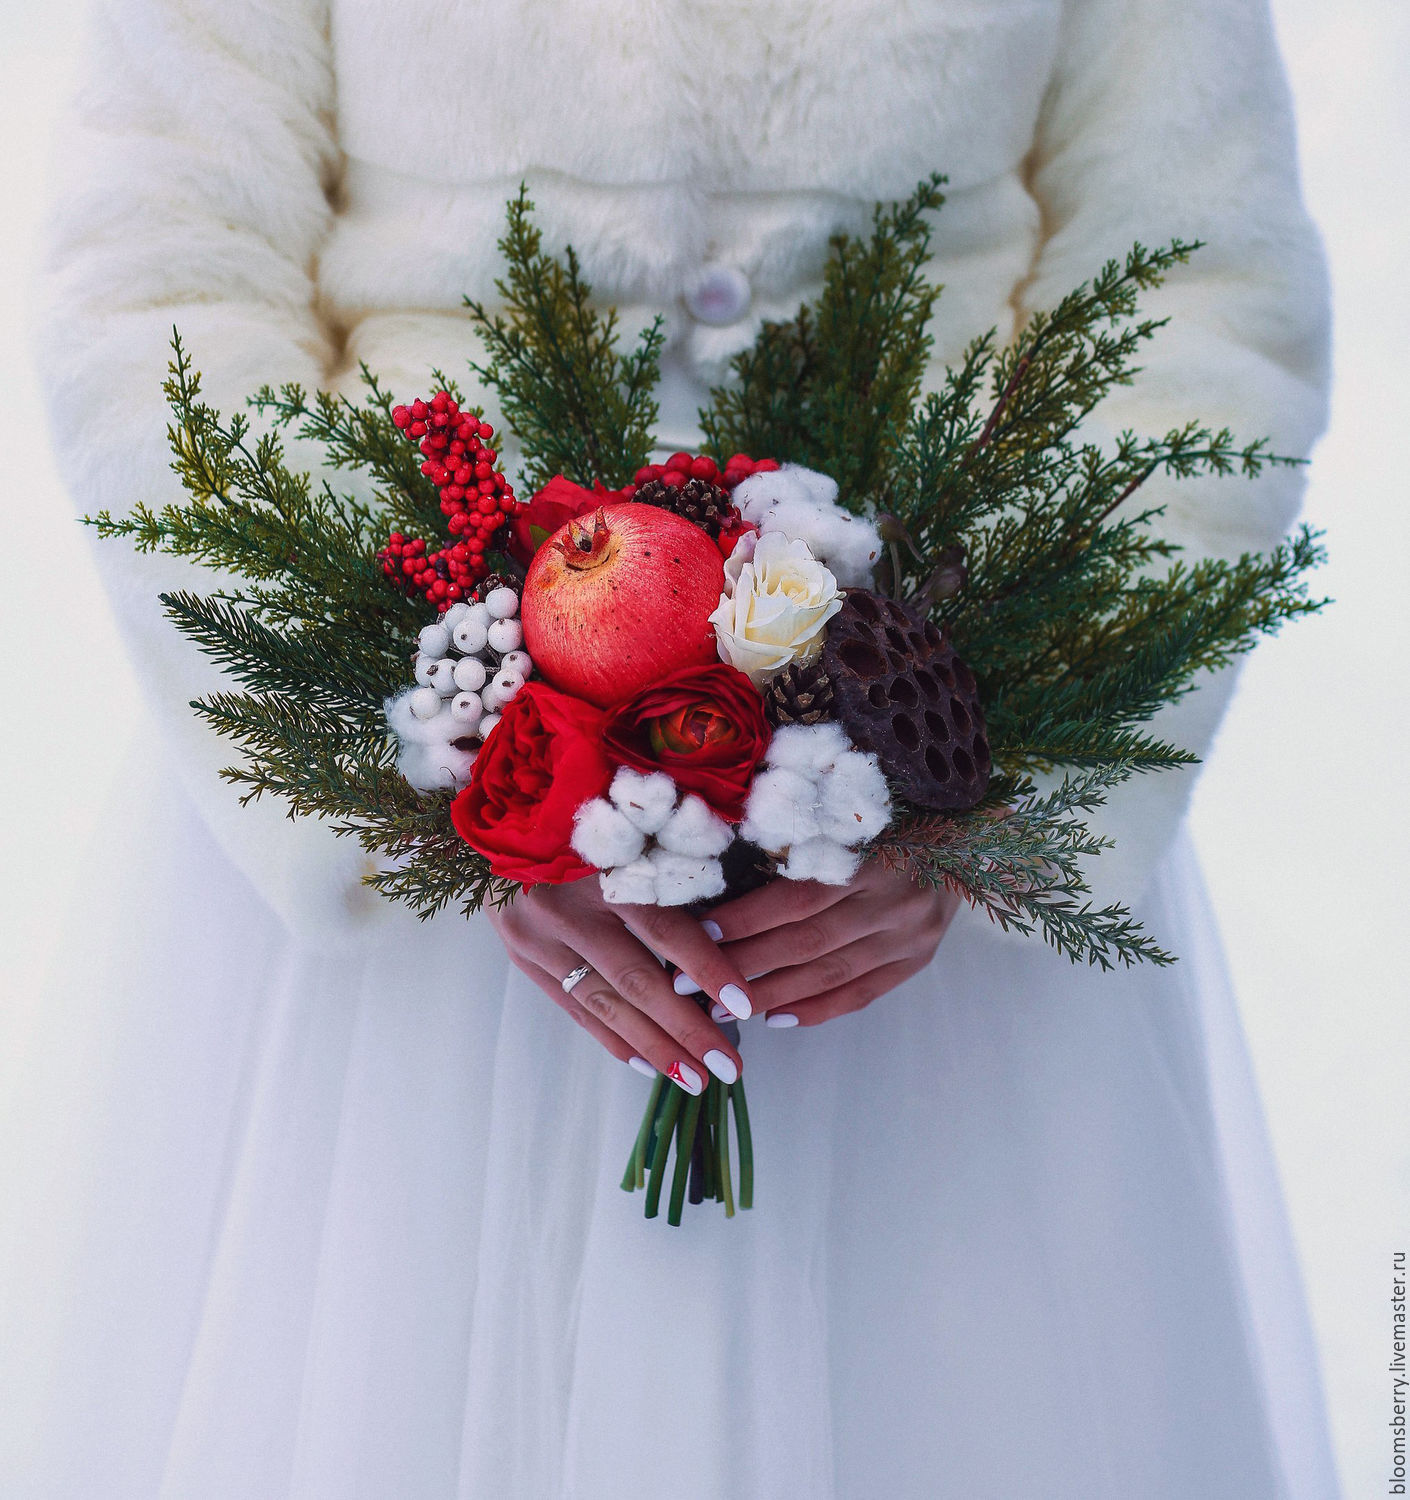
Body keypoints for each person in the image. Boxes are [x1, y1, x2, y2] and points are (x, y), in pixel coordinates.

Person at [0, 0, 1338, 1495]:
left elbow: (1202, 291)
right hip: (426, 911)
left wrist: (987, 759)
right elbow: (158, 271)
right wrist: (438, 758)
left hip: (896, 893)